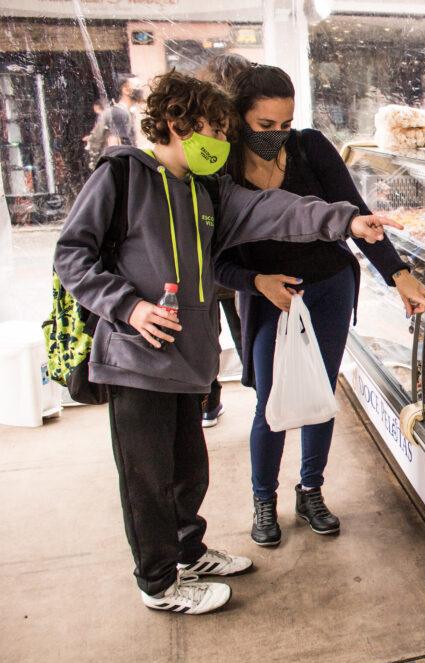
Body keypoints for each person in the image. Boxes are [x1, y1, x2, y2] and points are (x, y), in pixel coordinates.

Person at [53, 70, 405, 615]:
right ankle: (158, 583)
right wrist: (130, 306)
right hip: (134, 358)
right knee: (148, 479)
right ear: (176, 124)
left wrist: (346, 221)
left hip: (188, 360)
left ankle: (189, 553)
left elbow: (277, 210)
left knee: (188, 469)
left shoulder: (207, 190)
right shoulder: (122, 177)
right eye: (215, 131)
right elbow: (72, 256)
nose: (224, 143)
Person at [215, 65, 425, 547]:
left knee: (319, 395)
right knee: (270, 401)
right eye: (264, 126)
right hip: (270, 297)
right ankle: (263, 500)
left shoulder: (309, 146)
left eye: (285, 124)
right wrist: (255, 281)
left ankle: (311, 489)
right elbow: (215, 260)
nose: (277, 135)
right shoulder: (223, 168)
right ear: (239, 119)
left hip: (329, 287)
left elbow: (356, 213)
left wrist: (398, 274)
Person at [194, 53, 253, 427]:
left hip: (205, 259)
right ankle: (263, 392)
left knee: (205, 338)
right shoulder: (242, 140)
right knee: (245, 330)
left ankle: (208, 401)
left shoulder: (206, 137)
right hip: (237, 259)